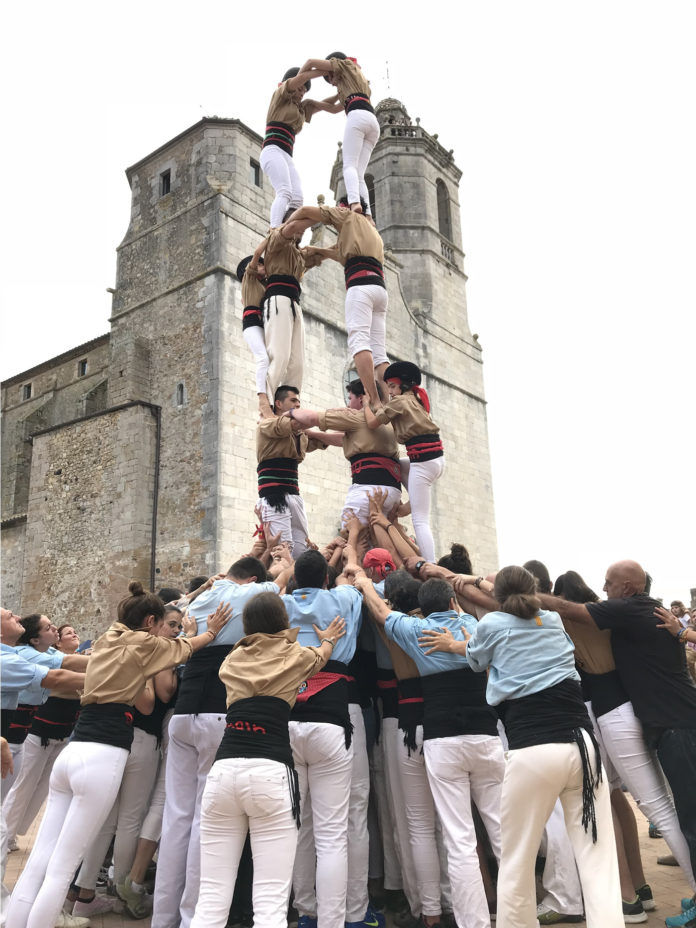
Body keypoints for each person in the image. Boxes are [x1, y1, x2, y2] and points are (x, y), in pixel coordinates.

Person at [5, 582, 232, 928]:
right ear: (151, 622)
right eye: (158, 625)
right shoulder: (144, 643)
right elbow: (186, 648)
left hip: (74, 750)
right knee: (63, 866)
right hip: (102, 753)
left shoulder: (111, 635)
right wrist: (211, 631)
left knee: (42, 858)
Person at [419, 565, 623, 928]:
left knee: (516, 860)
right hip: (582, 745)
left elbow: (476, 658)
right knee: (597, 858)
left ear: (499, 597)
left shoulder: (491, 625)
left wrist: (456, 642)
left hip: (533, 750)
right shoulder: (553, 621)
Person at [536, 560, 696, 927]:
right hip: (662, 722)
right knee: (670, 810)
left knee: (664, 810)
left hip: (669, 724)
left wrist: (495, 586)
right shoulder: (628, 615)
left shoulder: (628, 610)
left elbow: (565, 608)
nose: (603, 588)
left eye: (609, 583)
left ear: (627, 587)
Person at [190, 593, 345, 928]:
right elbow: (321, 656)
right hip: (271, 771)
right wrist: (330, 638)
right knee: (271, 901)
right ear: (282, 622)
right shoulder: (296, 656)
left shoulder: (231, 662)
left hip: (224, 771)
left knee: (212, 896)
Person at [357, 575, 503, 928]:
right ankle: (518, 915)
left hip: (427, 731)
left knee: (444, 833)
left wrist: (362, 581)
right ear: (453, 602)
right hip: (482, 734)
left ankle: (445, 916)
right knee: (502, 829)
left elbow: (379, 612)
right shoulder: (471, 624)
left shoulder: (411, 630)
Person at [152, 560, 280, 928]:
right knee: (204, 820)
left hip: (182, 717)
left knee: (177, 817)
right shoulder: (249, 596)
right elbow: (278, 585)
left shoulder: (198, 605)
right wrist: (282, 563)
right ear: (252, 580)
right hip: (216, 716)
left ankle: (164, 918)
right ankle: (193, 916)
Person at [283, 198, 388, 407]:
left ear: (345, 207)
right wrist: (319, 251)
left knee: (359, 342)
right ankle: (387, 400)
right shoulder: (372, 232)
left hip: (360, 286)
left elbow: (305, 210)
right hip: (380, 289)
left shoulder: (347, 215)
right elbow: (341, 254)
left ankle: (374, 401)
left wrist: (283, 228)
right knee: (379, 350)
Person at [285, 378, 401, 527]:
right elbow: (347, 440)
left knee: (352, 538)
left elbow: (312, 417)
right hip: (392, 493)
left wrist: (289, 412)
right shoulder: (385, 420)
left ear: (361, 398)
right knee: (379, 545)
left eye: (350, 398)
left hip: (368, 490)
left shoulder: (357, 417)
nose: (348, 404)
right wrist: (314, 435)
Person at [364, 361, 444, 562]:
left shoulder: (399, 402)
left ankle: (430, 565)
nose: (389, 391)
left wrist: (367, 404)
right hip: (433, 460)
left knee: (420, 520)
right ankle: (411, 502)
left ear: (404, 385)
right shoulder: (416, 398)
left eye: (392, 386)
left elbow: (373, 423)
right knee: (396, 465)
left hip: (423, 463)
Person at [247, 223, 323, 404]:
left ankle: (291, 405)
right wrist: (302, 218)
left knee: (297, 363)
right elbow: (264, 248)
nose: (303, 229)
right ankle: (267, 405)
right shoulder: (276, 242)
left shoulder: (296, 255)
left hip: (295, 303)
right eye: (299, 226)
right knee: (279, 356)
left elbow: (317, 256)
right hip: (278, 299)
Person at [300, 54, 379, 215]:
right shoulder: (356, 78)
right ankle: (368, 215)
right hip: (373, 123)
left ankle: (355, 203)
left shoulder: (344, 65)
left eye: (330, 78)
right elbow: (335, 109)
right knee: (359, 174)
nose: (332, 83)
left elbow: (310, 62)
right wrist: (314, 103)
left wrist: (296, 82)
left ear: (334, 67)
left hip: (357, 117)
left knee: (349, 166)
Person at [260, 67, 339, 227]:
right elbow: (301, 76)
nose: (303, 92)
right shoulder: (280, 96)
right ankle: (274, 231)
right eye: (301, 87)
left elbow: (327, 106)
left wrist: (343, 92)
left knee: (297, 198)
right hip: (272, 150)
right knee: (284, 191)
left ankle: (287, 229)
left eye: (305, 90)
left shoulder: (301, 109)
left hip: (287, 155)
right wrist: (325, 71)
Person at [256, 385, 327, 558]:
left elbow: (319, 441)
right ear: (279, 403)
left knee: (300, 549)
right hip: (274, 495)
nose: (297, 404)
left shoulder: (299, 433)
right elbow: (284, 425)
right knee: (283, 548)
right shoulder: (267, 423)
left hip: (293, 494)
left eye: (299, 401)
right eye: (293, 400)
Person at [236, 255, 271, 417]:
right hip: (251, 323)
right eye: (261, 265)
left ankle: (269, 396)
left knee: (269, 360)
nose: (265, 267)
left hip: (261, 323)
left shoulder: (261, 285)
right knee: (263, 358)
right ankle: (261, 397)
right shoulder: (249, 279)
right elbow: (256, 256)